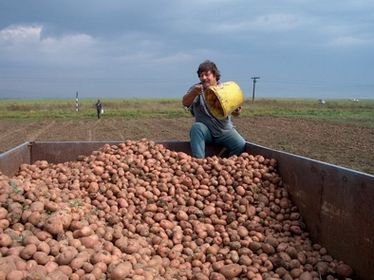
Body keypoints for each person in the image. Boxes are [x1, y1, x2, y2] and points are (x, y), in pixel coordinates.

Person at [182, 60, 246, 158]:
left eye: (207, 75)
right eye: (201, 75)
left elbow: (236, 114)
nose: (203, 78)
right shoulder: (196, 89)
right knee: (197, 128)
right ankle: (199, 163)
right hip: (206, 131)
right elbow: (185, 103)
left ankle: (227, 165)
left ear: (215, 75)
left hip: (224, 131)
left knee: (240, 144)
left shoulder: (225, 90)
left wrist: (236, 111)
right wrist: (194, 93)